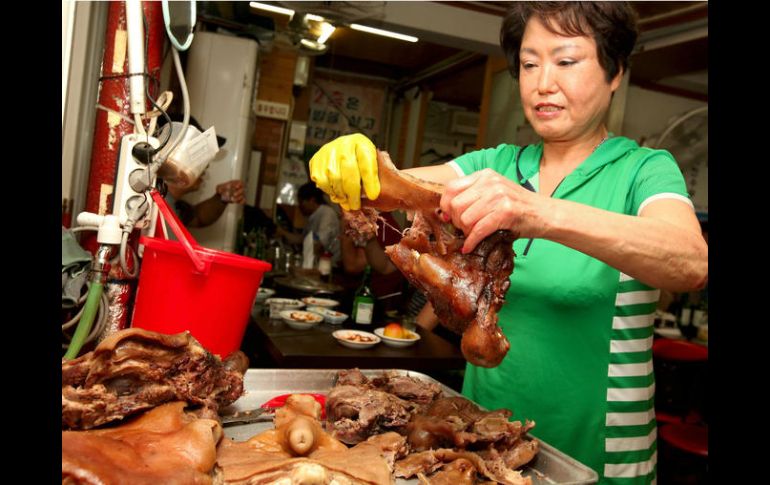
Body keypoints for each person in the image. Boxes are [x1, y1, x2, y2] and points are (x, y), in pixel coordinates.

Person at [306, 3, 708, 483]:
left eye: (566, 61)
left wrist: (538, 212)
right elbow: (396, 189)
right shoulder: (494, 166)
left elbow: (689, 261)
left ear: (615, 71)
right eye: (529, 63)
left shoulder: (643, 170)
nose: (542, 83)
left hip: (600, 462)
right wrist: (358, 165)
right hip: (482, 450)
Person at [276, 182, 341, 265]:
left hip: (330, 266)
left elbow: (318, 244)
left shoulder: (326, 213)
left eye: (302, 203)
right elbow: (302, 239)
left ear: (312, 200)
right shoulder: (313, 216)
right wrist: (282, 232)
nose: (300, 206)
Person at [166, 177, 246, 228]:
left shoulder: (175, 207)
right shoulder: (157, 201)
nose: (205, 170)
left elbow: (198, 217)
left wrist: (223, 198)